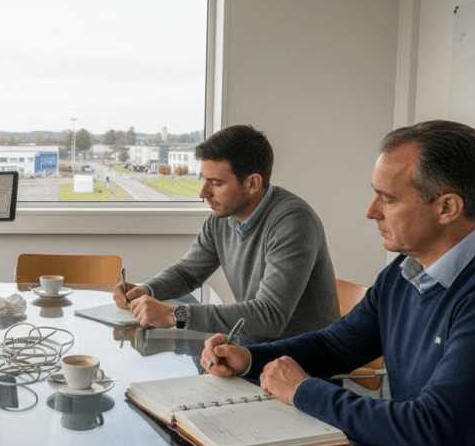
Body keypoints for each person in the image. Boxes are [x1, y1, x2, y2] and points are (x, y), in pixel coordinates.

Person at [202, 120, 475, 446]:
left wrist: (303, 390)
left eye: (386, 198)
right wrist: (252, 359)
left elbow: (431, 433)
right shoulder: (407, 269)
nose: (370, 210)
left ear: (446, 207)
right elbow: (337, 343)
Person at [114, 125, 340, 342]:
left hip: (301, 361)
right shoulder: (221, 219)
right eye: (203, 179)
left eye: (216, 183)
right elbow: (187, 273)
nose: (203, 193)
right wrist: (147, 289)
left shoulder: (293, 222)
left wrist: (175, 314)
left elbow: (269, 316)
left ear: (252, 183)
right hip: (253, 348)